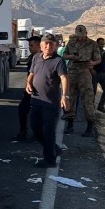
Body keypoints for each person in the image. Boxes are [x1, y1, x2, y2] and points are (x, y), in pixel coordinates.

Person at [26, 33, 70, 168]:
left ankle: (49, 160)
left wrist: (65, 96)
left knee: (48, 131)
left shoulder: (58, 61)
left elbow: (64, 78)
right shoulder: (36, 58)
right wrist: (28, 83)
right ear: (41, 45)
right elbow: (32, 73)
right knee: (36, 129)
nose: (48, 46)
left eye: (51, 44)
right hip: (36, 100)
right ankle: (54, 149)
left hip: (50, 103)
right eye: (46, 43)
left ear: (55, 46)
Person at [62, 25, 101, 137]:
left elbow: (98, 59)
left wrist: (92, 63)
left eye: (82, 35)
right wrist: (71, 56)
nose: (80, 38)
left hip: (85, 70)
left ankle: (90, 126)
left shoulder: (92, 44)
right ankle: (70, 125)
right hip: (72, 70)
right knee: (70, 98)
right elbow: (64, 55)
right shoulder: (71, 42)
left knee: (88, 98)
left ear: (86, 33)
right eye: (78, 36)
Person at [16, 35, 41, 141]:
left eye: (31, 45)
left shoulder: (42, 58)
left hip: (39, 91)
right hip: (29, 89)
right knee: (22, 110)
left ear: (39, 45)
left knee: (37, 114)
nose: (29, 48)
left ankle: (38, 134)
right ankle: (23, 132)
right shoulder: (32, 57)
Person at [93, 37, 105, 113]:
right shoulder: (93, 52)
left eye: (103, 43)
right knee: (93, 92)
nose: (102, 45)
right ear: (97, 43)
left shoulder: (103, 51)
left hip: (103, 73)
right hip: (95, 73)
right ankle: (91, 107)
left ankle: (100, 106)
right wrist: (91, 70)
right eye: (101, 43)